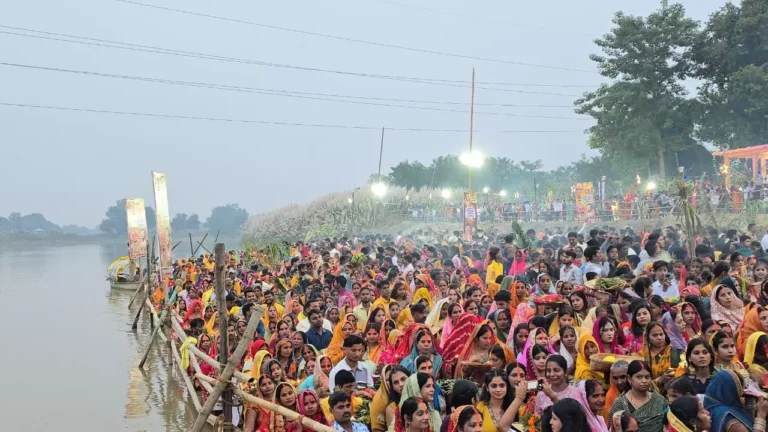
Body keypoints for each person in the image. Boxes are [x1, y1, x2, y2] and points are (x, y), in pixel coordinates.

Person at [609, 360, 668, 432]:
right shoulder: (620, 403)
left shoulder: (659, 400)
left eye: (647, 377)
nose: (644, 381)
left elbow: (668, 424)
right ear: (629, 379)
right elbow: (612, 428)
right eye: (639, 377)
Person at [371, 365, 410, 432]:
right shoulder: (391, 408)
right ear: (392, 387)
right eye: (396, 382)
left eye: (403, 379)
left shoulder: (420, 396)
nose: (401, 384)